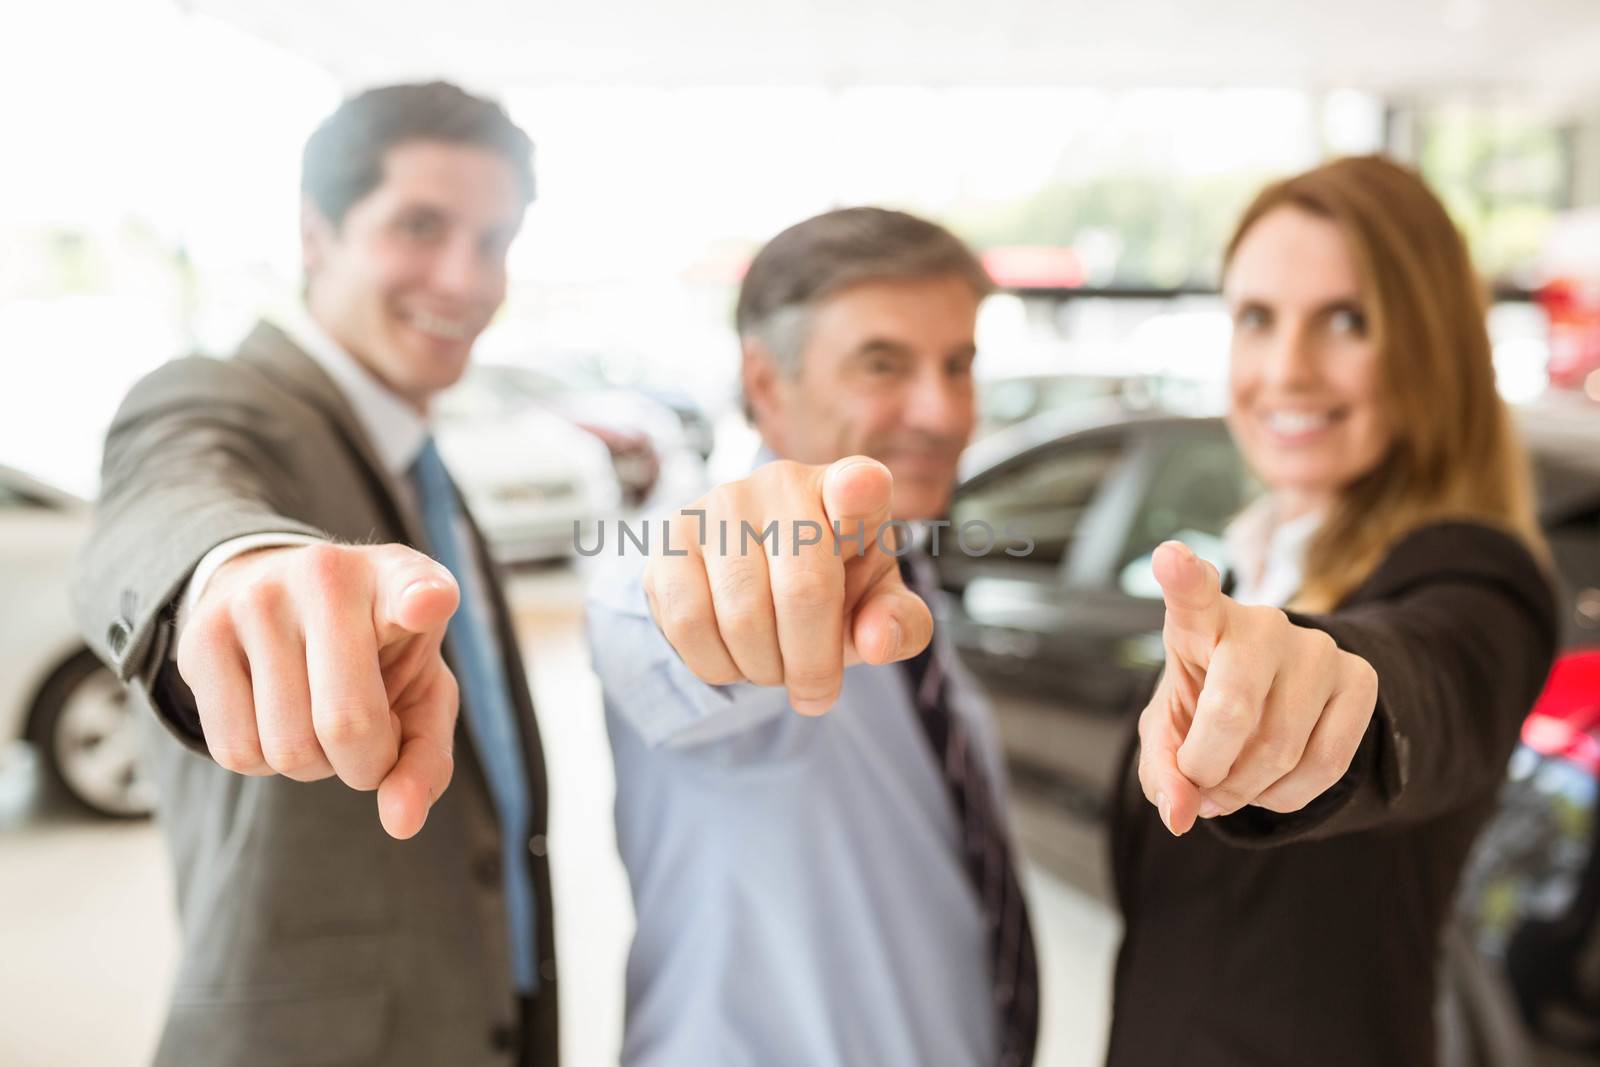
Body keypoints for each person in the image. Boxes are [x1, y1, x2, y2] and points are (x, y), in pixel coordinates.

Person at [73, 83, 558, 1066]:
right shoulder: (215, 395)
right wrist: (231, 564)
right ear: (316, 235)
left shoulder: (416, 453)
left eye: (495, 240)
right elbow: (171, 491)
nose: (466, 277)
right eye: (420, 226)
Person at [1106, 156, 1559, 1066]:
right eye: (1257, 318)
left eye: (1347, 321)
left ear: (1434, 347)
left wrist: (1322, 689)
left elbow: (1414, 680)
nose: (1286, 368)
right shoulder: (1252, 557)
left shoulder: (1477, 574)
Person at [586, 207, 1040, 1066]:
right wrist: (723, 564)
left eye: (959, 365)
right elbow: (659, 603)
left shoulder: (906, 574)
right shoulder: (704, 561)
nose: (942, 411)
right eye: (883, 365)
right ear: (766, 384)